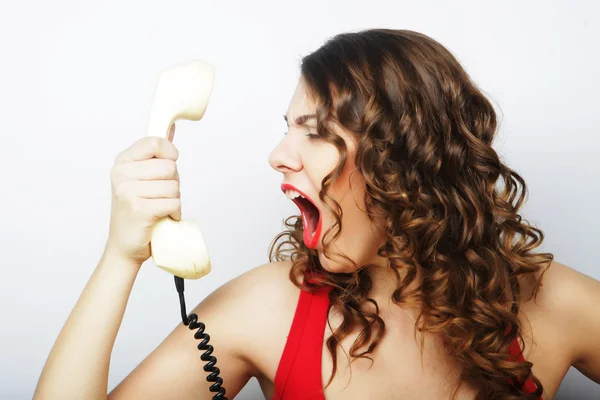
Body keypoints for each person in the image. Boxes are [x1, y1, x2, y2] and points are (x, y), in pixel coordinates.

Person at [33, 28, 600, 400]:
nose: (279, 155)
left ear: (407, 160)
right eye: (287, 128)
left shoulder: (555, 303)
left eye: (315, 132)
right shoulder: (266, 307)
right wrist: (121, 255)